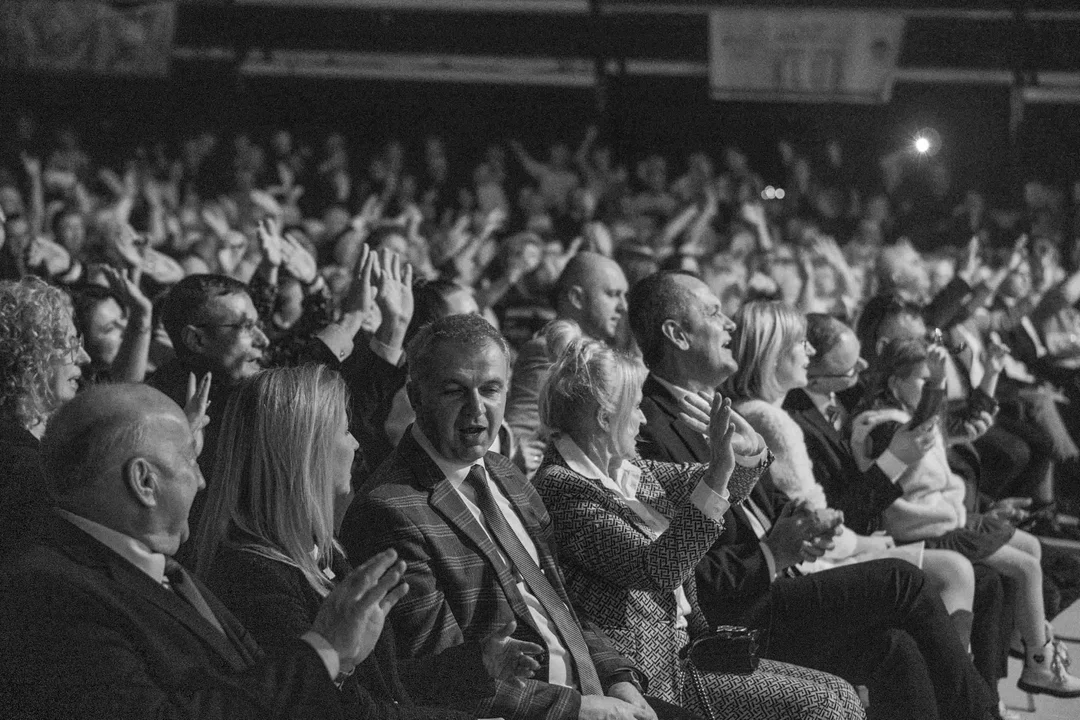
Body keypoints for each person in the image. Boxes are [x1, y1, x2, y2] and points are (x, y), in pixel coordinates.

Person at [626, 271, 998, 720]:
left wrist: (799, 525)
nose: (729, 324)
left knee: (894, 648)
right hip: (730, 612)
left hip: (780, 581)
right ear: (676, 334)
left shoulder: (723, 405)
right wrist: (771, 551)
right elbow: (675, 564)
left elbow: (773, 508)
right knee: (905, 581)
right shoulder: (645, 426)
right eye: (713, 312)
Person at [342, 314, 699, 720]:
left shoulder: (506, 473)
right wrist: (578, 709)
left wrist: (619, 677)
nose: (477, 409)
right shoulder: (389, 510)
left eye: (491, 390)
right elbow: (438, 679)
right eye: (455, 391)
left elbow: (560, 604)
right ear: (416, 396)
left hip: (592, 693)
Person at [0, 383, 414, 719]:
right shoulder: (49, 593)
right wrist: (324, 649)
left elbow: (248, 684)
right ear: (144, 481)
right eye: (189, 460)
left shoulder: (162, 567)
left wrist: (337, 663)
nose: (201, 481)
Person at [532, 323, 865, 719]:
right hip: (646, 675)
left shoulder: (625, 466)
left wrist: (747, 452)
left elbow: (700, 481)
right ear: (606, 418)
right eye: (636, 407)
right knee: (824, 705)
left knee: (840, 693)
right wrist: (719, 472)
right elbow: (658, 568)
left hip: (689, 652)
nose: (642, 418)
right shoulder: (563, 487)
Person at [191, 364, 540, 718]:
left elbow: (385, 684)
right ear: (304, 452)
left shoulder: (322, 553)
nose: (356, 443)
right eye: (345, 430)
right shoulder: (254, 579)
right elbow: (346, 709)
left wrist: (477, 663)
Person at [790, 313, 1017, 707]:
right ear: (813, 376)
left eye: (862, 361)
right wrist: (895, 458)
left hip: (873, 530)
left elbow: (943, 421)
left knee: (991, 582)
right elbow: (840, 509)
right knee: (967, 574)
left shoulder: (836, 400)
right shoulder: (799, 420)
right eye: (849, 366)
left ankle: (984, 697)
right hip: (844, 544)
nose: (863, 370)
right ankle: (966, 701)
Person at [854, 337, 1080, 698]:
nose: (933, 388)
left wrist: (990, 372)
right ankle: (1040, 661)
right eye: (923, 379)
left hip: (949, 519)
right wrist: (937, 384)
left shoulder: (912, 415)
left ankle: (1027, 636)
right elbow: (921, 430)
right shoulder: (881, 425)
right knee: (1027, 568)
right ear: (895, 384)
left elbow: (971, 419)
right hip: (921, 529)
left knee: (1031, 546)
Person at [505, 252, 629, 474]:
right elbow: (522, 433)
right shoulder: (547, 351)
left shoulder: (604, 351)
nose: (623, 306)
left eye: (624, 295)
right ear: (576, 298)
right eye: (612, 294)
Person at [0, 277, 90, 552]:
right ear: (29, 353)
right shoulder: (19, 465)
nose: (84, 357)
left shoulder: (62, 436)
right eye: (69, 344)